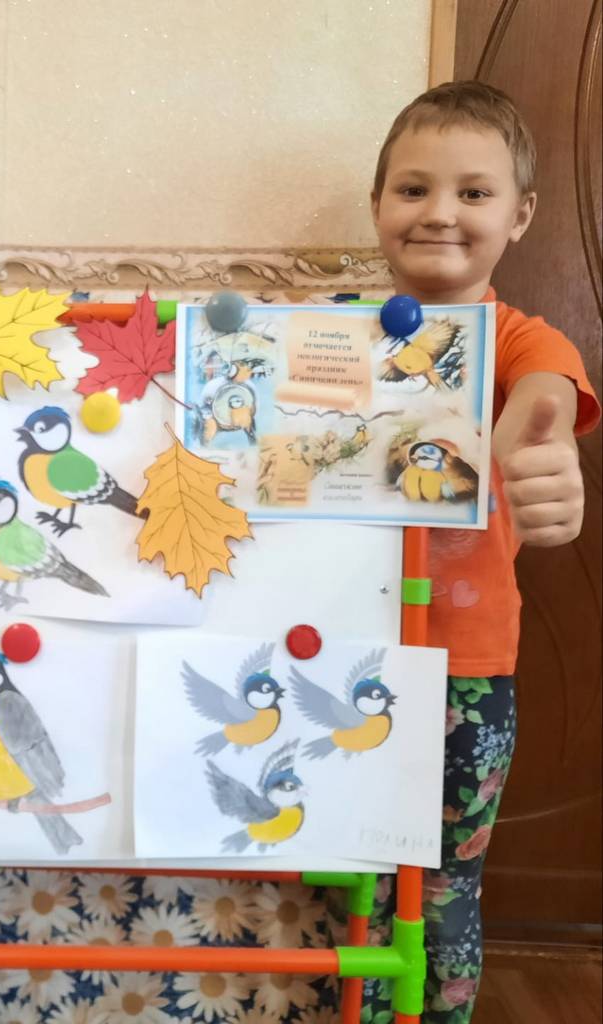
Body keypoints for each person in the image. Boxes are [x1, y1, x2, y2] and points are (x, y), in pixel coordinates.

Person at [358, 80, 600, 1022]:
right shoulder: (328, 339)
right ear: (377, 202)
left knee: (444, 886)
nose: (439, 213)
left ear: (519, 214)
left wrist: (540, 445)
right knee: (344, 867)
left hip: (465, 672)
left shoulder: (520, 340)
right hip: (339, 652)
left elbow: (546, 392)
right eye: (412, 188)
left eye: (472, 192)